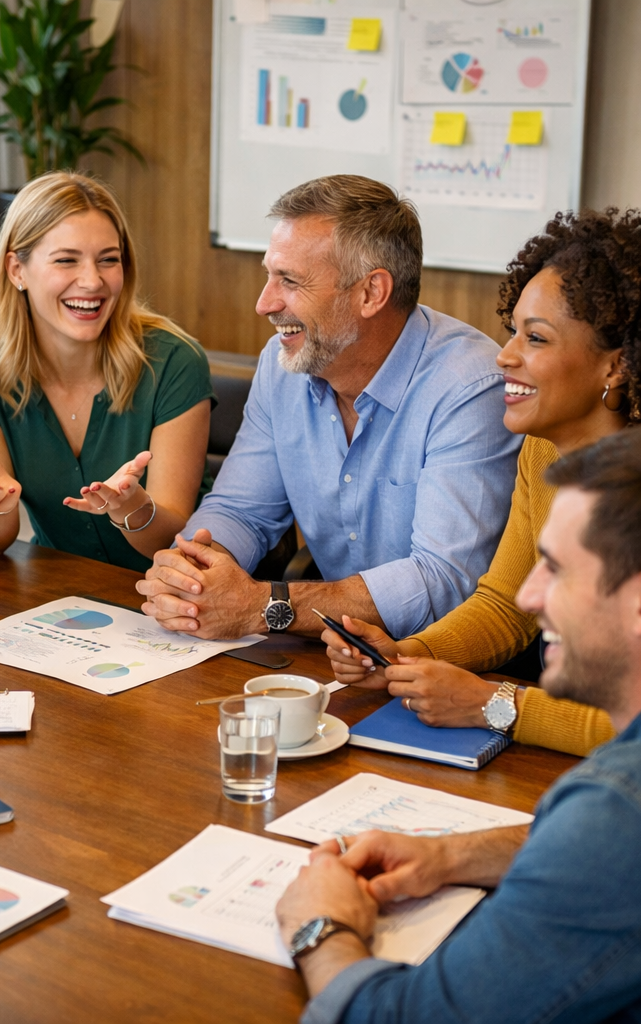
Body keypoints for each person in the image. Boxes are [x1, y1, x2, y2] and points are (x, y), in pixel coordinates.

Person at [275, 428, 641, 1024]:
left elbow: (401, 1017)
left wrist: (320, 927)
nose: (529, 597)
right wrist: (454, 855)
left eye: (555, 569)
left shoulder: (615, 809)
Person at [137, 175, 520, 640]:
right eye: (269, 275)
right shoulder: (282, 364)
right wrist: (191, 572)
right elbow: (241, 510)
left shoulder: (469, 388)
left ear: (371, 293)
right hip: (338, 647)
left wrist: (264, 605)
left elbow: (443, 581)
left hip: (444, 660)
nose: (264, 303)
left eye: (290, 281)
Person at [323, 209, 641, 757]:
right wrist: (406, 654)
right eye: (513, 331)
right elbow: (506, 606)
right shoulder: (543, 448)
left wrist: (496, 705)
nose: (505, 356)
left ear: (616, 366)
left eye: (536, 338)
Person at [0, 171, 214, 572]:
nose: (93, 281)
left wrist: (132, 507)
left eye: (108, 260)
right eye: (66, 260)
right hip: (60, 589)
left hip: (173, 587)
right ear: (17, 270)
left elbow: (169, 540)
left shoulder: (175, 361)